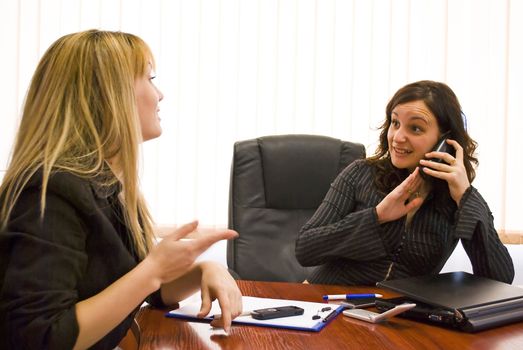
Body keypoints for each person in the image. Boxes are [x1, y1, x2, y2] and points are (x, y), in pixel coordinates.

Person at [0, 30, 242, 349]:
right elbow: (39, 336)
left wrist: (202, 270)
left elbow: (142, 290)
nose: (160, 95)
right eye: (149, 78)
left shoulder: (101, 184)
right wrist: (153, 270)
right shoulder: (50, 191)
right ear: (110, 94)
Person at [295, 80, 514, 286]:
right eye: (395, 123)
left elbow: (500, 280)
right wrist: (378, 216)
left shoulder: (456, 198)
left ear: (444, 140)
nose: (398, 137)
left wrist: (465, 197)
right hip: (327, 301)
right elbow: (305, 249)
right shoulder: (360, 173)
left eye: (415, 128)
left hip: (397, 316)